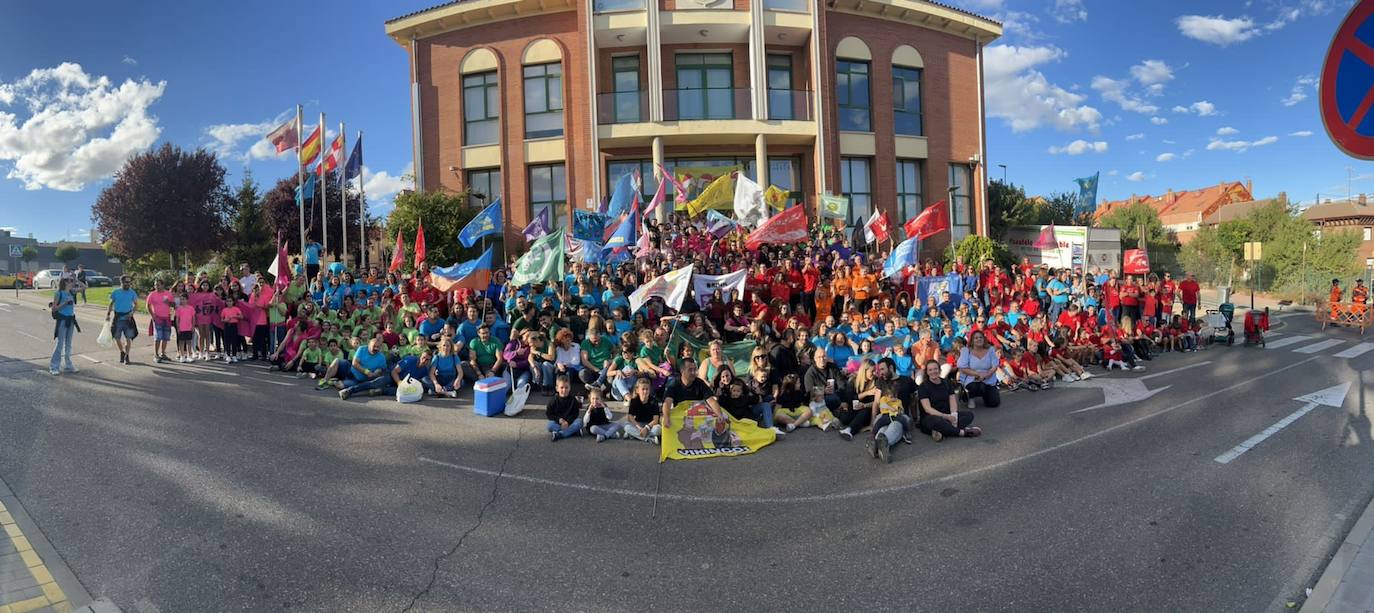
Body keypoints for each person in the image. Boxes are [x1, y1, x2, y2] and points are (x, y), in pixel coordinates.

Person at [916, 359, 982, 441]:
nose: (933, 372)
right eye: (930, 370)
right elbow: (928, 409)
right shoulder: (923, 387)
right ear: (927, 372)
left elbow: (952, 401)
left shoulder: (947, 383)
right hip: (931, 417)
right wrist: (945, 416)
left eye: (935, 369)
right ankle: (962, 432)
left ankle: (940, 431)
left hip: (948, 414)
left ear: (939, 370)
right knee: (936, 421)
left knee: (969, 415)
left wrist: (954, 416)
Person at [957, 332, 1001, 409]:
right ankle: (971, 397)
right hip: (972, 378)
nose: (979, 339)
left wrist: (987, 374)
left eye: (980, 337)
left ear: (984, 339)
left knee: (993, 403)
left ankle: (986, 394)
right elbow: (962, 368)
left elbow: (995, 366)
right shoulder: (966, 351)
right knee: (978, 387)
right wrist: (978, 374)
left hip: (988, 378)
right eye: (976, 338)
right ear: (972, 340)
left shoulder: (990, 350)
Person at [105, 275, 139, 365]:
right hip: (118, 318)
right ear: (122, 282)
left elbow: (136, 305)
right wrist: (108, 314)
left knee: (128, 338)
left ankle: (127, 356)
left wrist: (132, 313)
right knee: (117, 337)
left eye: (129, 282)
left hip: (128, 319)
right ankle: (122, 351)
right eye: (126, 282)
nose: (128, 284)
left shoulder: (132, 292)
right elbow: (111, 304)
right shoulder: (116, 292)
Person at [49, 278, 78, 375]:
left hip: (71, 320)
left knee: (68, 344)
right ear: (65, 283)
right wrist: (65, 303)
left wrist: (77, 280)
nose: (72, 283)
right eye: (70, 281)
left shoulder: (71, 292)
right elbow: (54, 309)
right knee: (60, 343)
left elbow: (84, 287)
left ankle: (68, 365)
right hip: (62, 320)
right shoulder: (59, 293)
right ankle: (54, 366)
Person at [622, 377, 662, 444]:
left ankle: (634, 435)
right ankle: (648, 439)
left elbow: (655, 420)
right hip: (639, 424)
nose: (645, 391)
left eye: (647, 389)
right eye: (643, 389)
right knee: (626, 426)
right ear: (637, 390)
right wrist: (640, 428)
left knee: (658, 429)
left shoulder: (654, 401)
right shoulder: (634, 400)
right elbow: (630, 417)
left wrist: (646, 428)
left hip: (650, 425)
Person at [546, 375, 585, 442]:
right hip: (558, 423)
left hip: (570, 422)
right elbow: (549, 414)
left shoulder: (573, 400)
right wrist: (559, 420)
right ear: (557, 388)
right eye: (561, 387)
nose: (564, 390)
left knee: (579, 422)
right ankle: (573, 432)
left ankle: (560, 434)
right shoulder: (553, 400)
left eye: (566, 387)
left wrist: (568, 422)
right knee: (550, 425)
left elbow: (575, 413)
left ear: (570, 388)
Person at [146, 279, 175, 363]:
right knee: (158, 336)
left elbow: (172, 305)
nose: (156, 286)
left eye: (158, 285)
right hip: (157, 318)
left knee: (165, 336)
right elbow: (148, 305)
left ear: (163, 285)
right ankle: (156, 354)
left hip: (167, 318)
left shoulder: (168, 294)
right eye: (155, 285)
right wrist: (153, 315)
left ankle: (163, 353)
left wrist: (172, 317)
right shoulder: (152, 294)